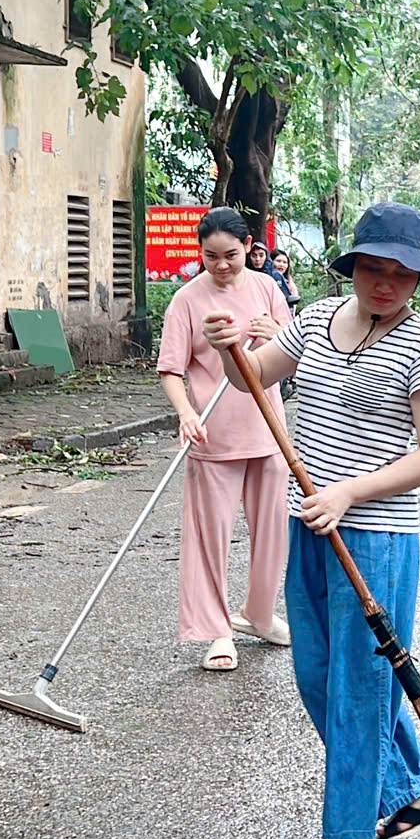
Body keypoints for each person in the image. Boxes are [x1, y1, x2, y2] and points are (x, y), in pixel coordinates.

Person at [208, 203, 420, 839]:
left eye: (401, 274)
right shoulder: (316, 320)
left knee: (358, 686)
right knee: (318, 675)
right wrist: (229, 342)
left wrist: (350, 492)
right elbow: (251, 378)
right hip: (308, 523)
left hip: (375, 537)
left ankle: (347, 835)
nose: (385, 284)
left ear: (418, 280)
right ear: (352, 268)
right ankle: (413, 781)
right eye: (373, 269)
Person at [158, 208, 293, 672]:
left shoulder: (267, 288)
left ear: (250, 247)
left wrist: (277, 333)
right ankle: (218, 629)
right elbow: (172, 370)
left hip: (269, 431)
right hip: (214, 435)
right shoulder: (187, 300)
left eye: (231, 255)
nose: (221, 265)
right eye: (211, 256)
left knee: (274, 531)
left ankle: (258, 614)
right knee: (209, 535)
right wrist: (186, 412)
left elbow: (295, 352)